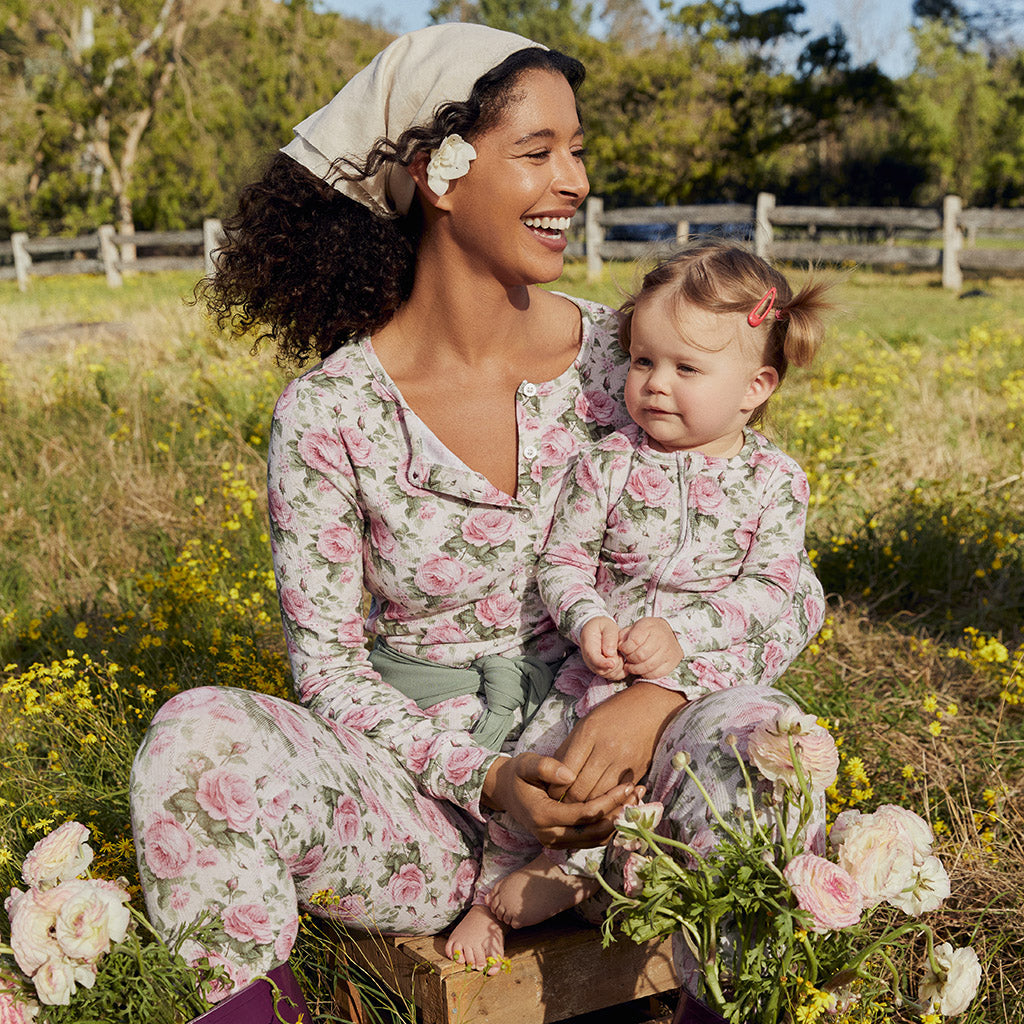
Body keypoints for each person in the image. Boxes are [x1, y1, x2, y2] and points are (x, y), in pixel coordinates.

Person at [128, 22, 825, 1004]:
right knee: (194, 739)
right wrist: (488, 779)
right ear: (439, 174)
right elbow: (326, 671)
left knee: (765, 740)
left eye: (576, 149)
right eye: (537, 152)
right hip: (423, 817)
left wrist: (653, 700)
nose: (574, 181)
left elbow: (782, 582)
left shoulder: (629, 359)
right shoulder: (329, 413)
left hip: (623, 791)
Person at [454, 242, 829, 956]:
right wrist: (588, 615)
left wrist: (683, 636)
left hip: (704, 678)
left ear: (756, 386)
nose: (655, 384)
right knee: (547, 760)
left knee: (693, 783)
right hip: (598, 676)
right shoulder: (608, 463)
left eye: (687, 368)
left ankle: (593, 875)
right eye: (643, 361)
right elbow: (561, 558)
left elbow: (775, 586)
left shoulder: (774, 481)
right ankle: (500, 892)